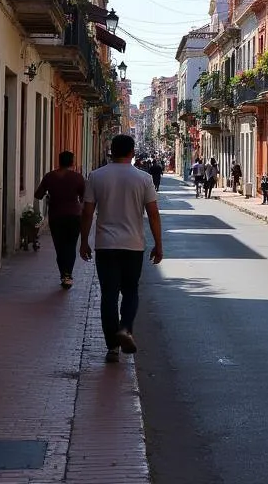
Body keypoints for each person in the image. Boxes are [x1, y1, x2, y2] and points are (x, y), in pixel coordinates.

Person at [80, 134, 163, 363]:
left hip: (105, 245)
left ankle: (112, 348)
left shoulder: (96, 176)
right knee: (130, 291)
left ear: (111, 151)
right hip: (133, 245)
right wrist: (158, 244)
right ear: (133, 152)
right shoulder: (144, 179)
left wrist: (84, 241)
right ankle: (125, 328)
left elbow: (88, 212)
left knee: (108, 295)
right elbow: (153, 214)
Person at [34, 150, 86, 289]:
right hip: (74, 216)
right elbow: (84, 197)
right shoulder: (78, 177)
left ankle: (64, 274)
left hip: (56, 216)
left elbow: (38, 195)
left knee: (60, 247)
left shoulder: (50, 176)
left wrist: (50, 194)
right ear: (72, 162)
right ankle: (68, 275)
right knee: (70, 246)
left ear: (59, 161)